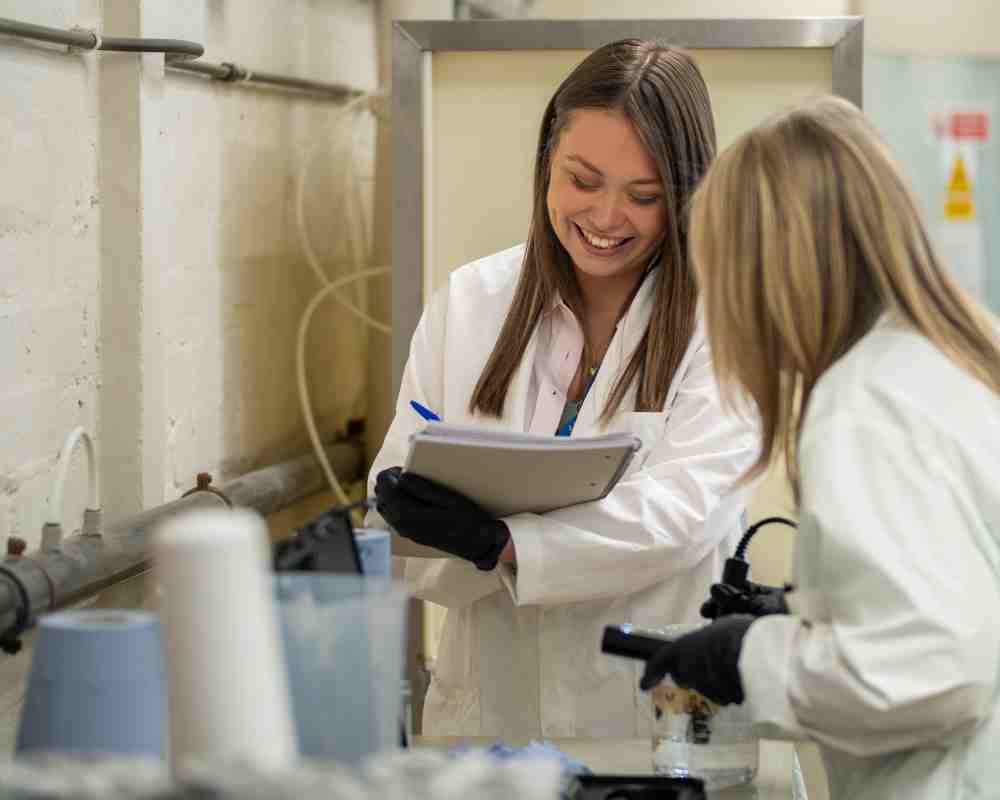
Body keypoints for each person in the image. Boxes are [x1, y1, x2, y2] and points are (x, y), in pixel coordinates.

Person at [367, 39, 760, 738]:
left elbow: (680, 518)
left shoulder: (728, 319)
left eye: (644, 196)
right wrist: (429, 528)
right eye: (583, 180)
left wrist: (504, 545)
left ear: (689, 194)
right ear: (547, 159)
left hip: (649, 723)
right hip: (486, 720)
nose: (607, 218)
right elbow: (391, 520)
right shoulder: (470, 302)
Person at [638, 96, 1000, 799]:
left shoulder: (866, 402)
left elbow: (933, 669)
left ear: (769, 270)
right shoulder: (953, 359)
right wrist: (812, 617)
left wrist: (753, 657)